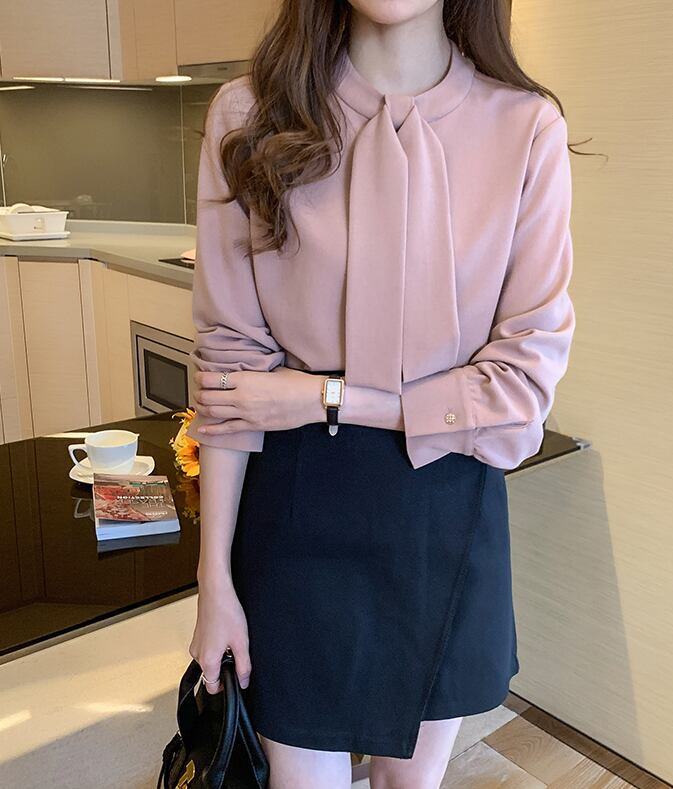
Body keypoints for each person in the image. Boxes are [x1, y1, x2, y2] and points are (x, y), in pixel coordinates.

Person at [185, 1, 576, 787]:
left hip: (446, 511)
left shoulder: (526, 128)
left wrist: (325, 397)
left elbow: (521, 393)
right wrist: (213, 579)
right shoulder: (248, 113)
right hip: (294, 513)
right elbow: (228, 368)